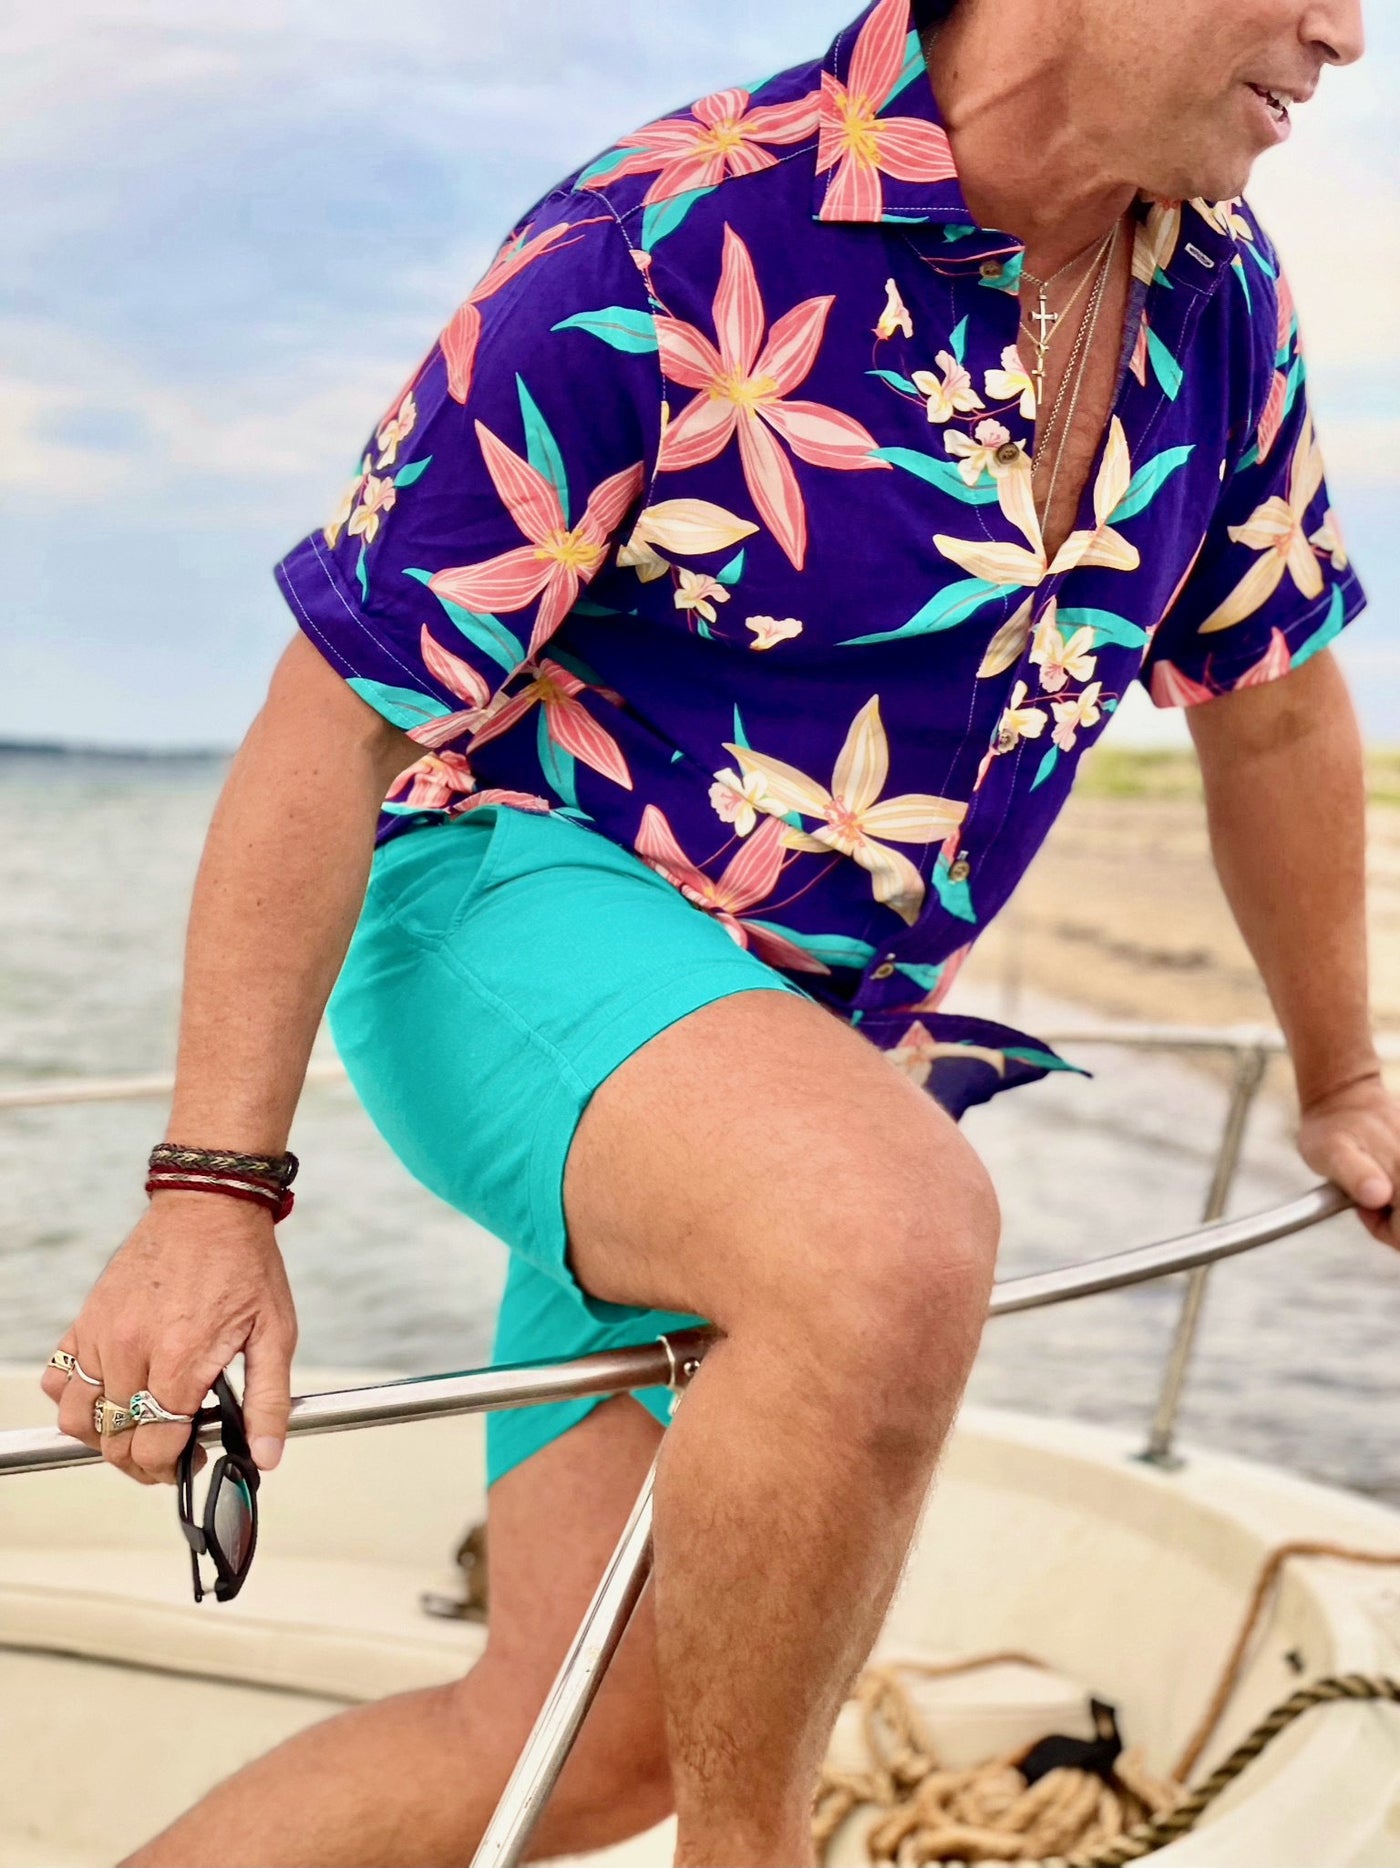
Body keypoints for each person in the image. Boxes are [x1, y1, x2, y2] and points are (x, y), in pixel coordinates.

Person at [41, 0, 1395, 1863]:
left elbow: (1278, 707)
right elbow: (328, 723)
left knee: (581, 1743)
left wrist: (1343, 1077)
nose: (1343, 33)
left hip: (790, 1052)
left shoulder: (1219, 302)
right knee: (887, 1238)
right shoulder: (669, 238)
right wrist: (211, 1199)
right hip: (502, 909)